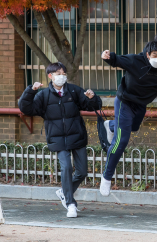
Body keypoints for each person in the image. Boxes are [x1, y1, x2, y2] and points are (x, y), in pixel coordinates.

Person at [100, 36, 157, 196]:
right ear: (147, 54)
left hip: (141, 104)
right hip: (124, 102)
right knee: (121, 141)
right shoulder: (135, 61)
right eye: (155, 55)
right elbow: (116, 60)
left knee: (132, 127)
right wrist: (107, 56)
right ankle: (106, 177)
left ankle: (111, 125)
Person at [18, 62, 102, 217]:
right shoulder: (43, 95)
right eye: (58, 73)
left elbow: (92, 106)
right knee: (66, 168)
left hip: (77, 135)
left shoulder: (74, 90)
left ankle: (64, 192)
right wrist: (31, 90)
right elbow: (26, 108)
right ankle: (70, 203)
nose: (61, 76)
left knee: (82, 171)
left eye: (64, 73)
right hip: (57, 138)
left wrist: (92, 98)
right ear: (50, 76)